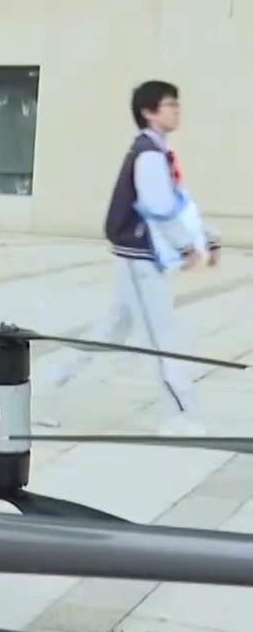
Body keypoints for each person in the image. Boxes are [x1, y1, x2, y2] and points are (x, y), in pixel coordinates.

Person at [43, 80, 216, 437]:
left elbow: (175, 203)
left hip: (139, 257)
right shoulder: (149, 155)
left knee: (111, 331)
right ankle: (180, 414)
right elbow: (159, 208)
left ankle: (49, 383)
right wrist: (187, 247)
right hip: (139, 259)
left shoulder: (156, 151)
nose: (177, 110)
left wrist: (202, 238)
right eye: (170, 104)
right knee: (161, 337)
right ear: (149, 112)